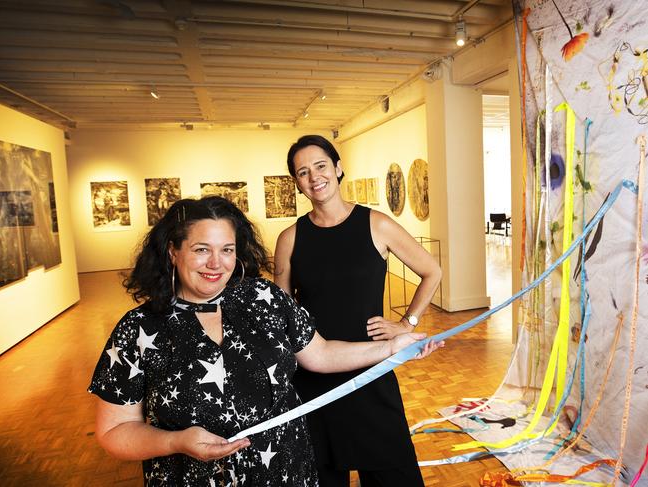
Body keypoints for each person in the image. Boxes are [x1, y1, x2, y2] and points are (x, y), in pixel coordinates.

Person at [88, 195, 442, 487]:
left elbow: (320, 353)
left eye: (227, 249)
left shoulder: (263, 299)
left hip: (289, 473)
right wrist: (174, 441)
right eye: (201, 249)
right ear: (172, 252)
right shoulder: (138, 329)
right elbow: (114, 431)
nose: (216, 263)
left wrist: (393, 348)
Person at [274, 135, 442, 486]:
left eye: (320, 166)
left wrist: (406, 322)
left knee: (393, 475)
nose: (314, 176)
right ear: (297, 183)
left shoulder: (375, 224)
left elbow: (432, 271)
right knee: (324, 476)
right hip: (314, 377)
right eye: (302, 172)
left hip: (371, 369)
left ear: (337, 168)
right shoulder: (290, 238)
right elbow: (283, 311)